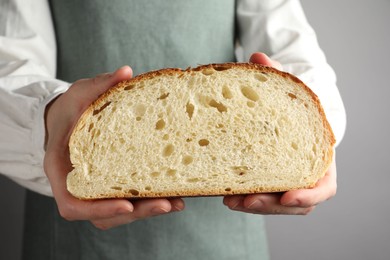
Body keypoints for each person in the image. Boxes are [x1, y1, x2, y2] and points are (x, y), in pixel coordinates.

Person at [0, 0, 346, 259]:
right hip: (73, 236)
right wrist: (47, 120)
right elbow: (9, 62)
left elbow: (293, 48)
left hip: (224, 238)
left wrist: (314, 126)